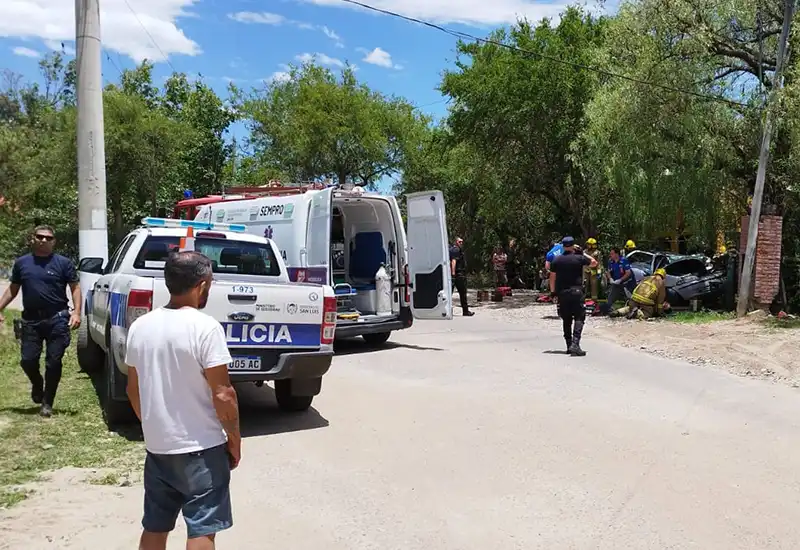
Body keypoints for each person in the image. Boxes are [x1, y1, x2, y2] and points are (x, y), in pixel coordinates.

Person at [125, 251, 240, 550]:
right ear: (202, 285)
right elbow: (223, 393)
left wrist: (155, 428)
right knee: (202, 528)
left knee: (155, 525)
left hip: (158, 449)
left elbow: (133, 390)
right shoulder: (205, 327)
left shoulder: (140, 326)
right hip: (201, 449)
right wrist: (234, 440)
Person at [0, 225, 81, 417]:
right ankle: (37, 383)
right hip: (31, 320)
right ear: (33, 238)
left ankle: (47, 402)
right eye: (40, 236)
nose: (44, 240)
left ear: (54, 241)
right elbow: (13, 289)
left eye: (48, 238)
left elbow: (75, 288)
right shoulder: (22, 263)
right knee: (27, 360)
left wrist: (77, 313)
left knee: (54, 362)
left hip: (57, 318)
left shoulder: (63, 263)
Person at [550, 237, 598, 356]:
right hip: (577, 292)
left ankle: (569, 345)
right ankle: (575, 344)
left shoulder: (556, 260)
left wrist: (553, 293)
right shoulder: (579, 258)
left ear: (563, 246)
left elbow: (552, 277)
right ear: (573, 246)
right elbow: (594, 263)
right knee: (579, 317)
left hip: (562, 293)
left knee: (566, 319)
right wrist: (583, 253)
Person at [602, 247, 635, 315]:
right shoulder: (610, 261)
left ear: (616, 254)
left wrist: (620, 279)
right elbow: (608, 271)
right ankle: (609, 310)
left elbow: (628, 273)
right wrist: (610, 278)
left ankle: (631, 311)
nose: (610, 255)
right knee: (610, 300)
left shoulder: (624, 260)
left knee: (631, 300)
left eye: (612, 254)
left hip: (627, 284)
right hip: (616, 284)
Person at [449, 237, 474, 317]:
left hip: (457, 274)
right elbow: (453, 261)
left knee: (450, 293)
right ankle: (465, 311)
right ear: (456, 242)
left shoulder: (453, 249)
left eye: (462, 242)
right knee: (462, 293)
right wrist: (453, 274)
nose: (461, 243)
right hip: (458, 274)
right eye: (460, 242)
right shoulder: (456, 250)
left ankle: (447, 310)